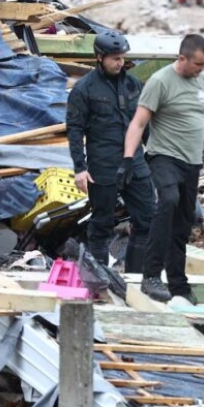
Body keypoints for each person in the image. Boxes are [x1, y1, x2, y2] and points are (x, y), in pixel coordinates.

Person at [121, 34, 204, 303]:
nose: (203, 70)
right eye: (199, 64)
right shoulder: (160, 82)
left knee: (182, 222)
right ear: (182, 58)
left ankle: (178, 284)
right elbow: (138, 123)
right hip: (163, 157)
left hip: (191, 162)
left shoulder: (203, 80)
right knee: (167, 201)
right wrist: (129, 158)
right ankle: (151, 276)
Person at [66, 30, 154, 274]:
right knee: (101, 224)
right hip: (103, 166)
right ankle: (100, 278)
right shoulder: (84, 89)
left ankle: (137, 276)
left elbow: (143, 122)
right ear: (99, 57)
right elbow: (74, 130)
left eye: (122, 57)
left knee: (147, 218)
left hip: (135, 163)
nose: (120, 62)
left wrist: (153, 157)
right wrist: (80, 169)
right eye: (114, 58)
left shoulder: (133, 84)